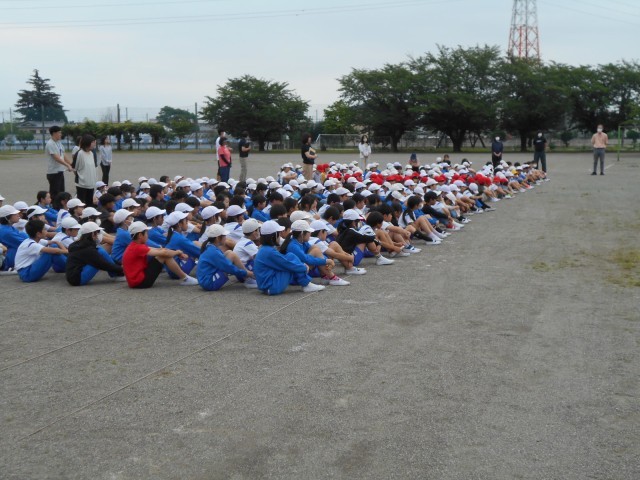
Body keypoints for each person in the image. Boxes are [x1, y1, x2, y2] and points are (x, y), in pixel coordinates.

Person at [253, 220, 325, 295]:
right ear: (273, 236)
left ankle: (306, 284)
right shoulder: (269, 252)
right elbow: (287, 264)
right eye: (279, 234)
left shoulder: (265, 249)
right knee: (291, 261)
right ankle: (306, 284)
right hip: (271, 287)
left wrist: (302, 265)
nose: (280, 236)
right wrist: (304, 267)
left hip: (267, 286)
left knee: (290, 256)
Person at [122, 221, 198, 288]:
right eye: (146, 233)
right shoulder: (138, 247)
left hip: (136, 281)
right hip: (140, 282)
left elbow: (158, 250)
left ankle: (185, 278)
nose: (147, 235)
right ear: (140, 235)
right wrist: (178, 252)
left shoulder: (135, 245)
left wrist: (176, 252)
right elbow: (164, 253)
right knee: (164, 256)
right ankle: (185, 278)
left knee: (162, 254)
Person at [197, 224, 255, 291]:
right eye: (224, 236)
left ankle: (247, 278)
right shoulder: (213, 251)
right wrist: (248, 273)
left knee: (229, 253)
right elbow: (229, 268)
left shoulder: (210, 247)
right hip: (209, 283)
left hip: (206, 280)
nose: (226, 238)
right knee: (230, 257)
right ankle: (248, 278)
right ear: (218, 238)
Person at [45, 125, 74, 197]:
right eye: (59, 132)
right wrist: (67, 165)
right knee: (55, 194)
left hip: (60, 171)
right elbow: (56, 158)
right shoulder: (50, 143)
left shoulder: (59, 143)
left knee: (61, 192)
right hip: (53, 172)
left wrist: (71, 164)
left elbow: (63, 155)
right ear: (54, 133)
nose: (61, 134)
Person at [0, 204, 28, 271]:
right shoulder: (6, 231)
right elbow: (25, 243)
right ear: (7, 217)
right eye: (15, 214)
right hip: (6, 262)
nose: (18, 215)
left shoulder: (9, 227)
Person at [74, 134, 98, 206]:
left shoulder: (91, 153)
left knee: (89, 204)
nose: (94, 144)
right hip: (82, 184)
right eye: (93, 142)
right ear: (87, 142)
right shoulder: (80, 153)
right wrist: (82, 177)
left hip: (91, 184)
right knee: (82, 204)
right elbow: (75, 168)